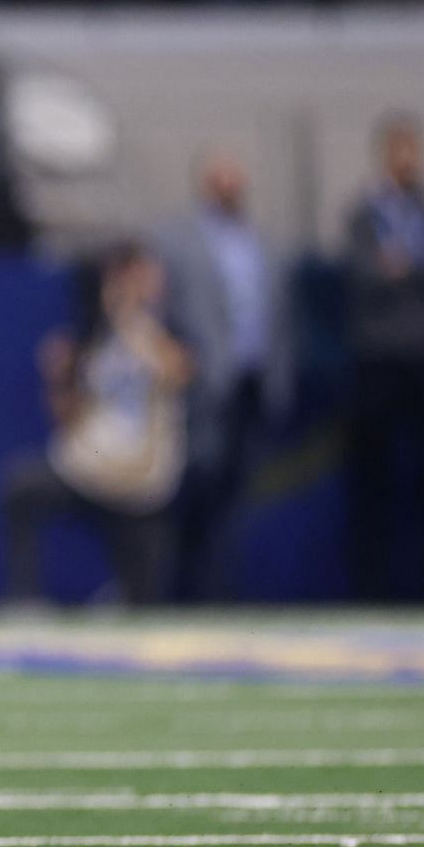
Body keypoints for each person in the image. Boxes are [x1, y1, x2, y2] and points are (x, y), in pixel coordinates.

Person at [0, 244, 193, 606]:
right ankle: (25, 598)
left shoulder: (168, 328)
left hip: (140, 481)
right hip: (90, 467)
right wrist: (58, 380)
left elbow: (176, 373)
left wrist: (132, 320)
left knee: (145, 598)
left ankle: (121, 594)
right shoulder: (91, 334)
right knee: (18, 488)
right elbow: (66, 417)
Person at [150, 151, 292, 601]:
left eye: (237, 177)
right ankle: (177, 589)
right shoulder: (176, 239)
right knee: (195, 486)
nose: (230, 186)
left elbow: (281, 319)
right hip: (203, 384)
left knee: (235, 493)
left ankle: (218, 590)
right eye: (221, 177)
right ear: (205, 183)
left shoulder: (263, 243)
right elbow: (161, 306)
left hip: (253, 381)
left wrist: (279, 377)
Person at [344, 114, 424, 599]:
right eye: (400, 150)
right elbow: (366, 275)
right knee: (374, 482)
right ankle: (370, 589)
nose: (409, 160)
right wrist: (417, 271)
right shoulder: (364, 215)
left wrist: (404, 267)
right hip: (379, 362)